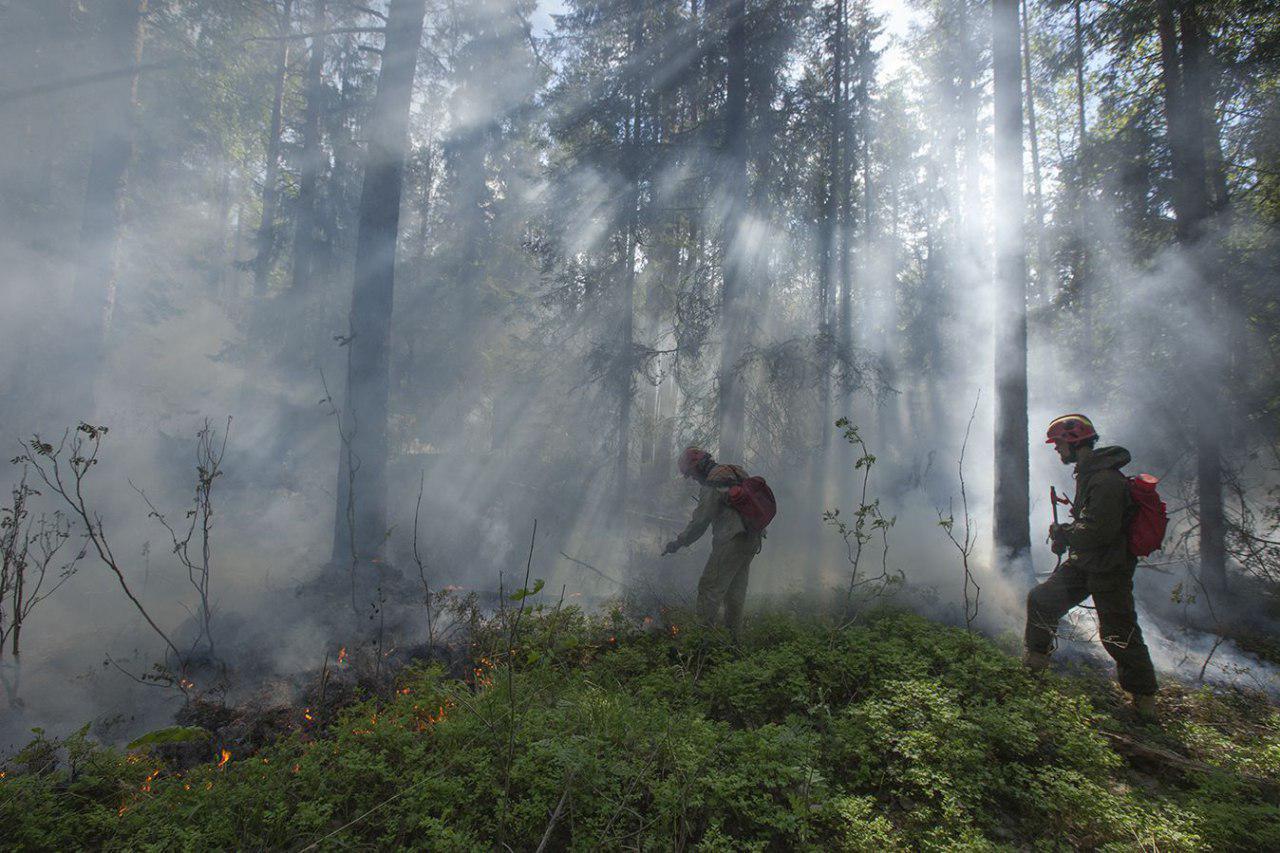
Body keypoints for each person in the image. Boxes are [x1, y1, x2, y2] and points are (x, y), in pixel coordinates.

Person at [1024, 414, 1160, 720]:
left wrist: (1066, 533)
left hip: (1110, 567)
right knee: (1042, 600)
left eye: (1059, 443)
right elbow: (1091, 524)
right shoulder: (1088, 474)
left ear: (1074, 442)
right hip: (1086, 562)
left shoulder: (1105, 480)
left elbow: (1100, 531)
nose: (1057, 450)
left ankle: (1144, 702)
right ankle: (1033, 671)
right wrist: (1068, 535)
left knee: (1117, 633)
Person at [662, 446, 762, 639]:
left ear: (697, 466)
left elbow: (700, 522)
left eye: (691, 474)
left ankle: (702, 642)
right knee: (735, 592)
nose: (692, 478)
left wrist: (678, 542)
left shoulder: (713, 482)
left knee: (709, 587)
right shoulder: (735, 471)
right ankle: (733, 641)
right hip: (751, 538)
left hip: (731, 540)